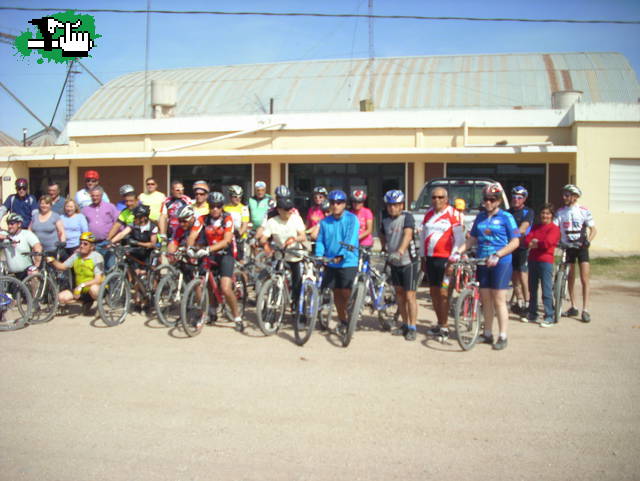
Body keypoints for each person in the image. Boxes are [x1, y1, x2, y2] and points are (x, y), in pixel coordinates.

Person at [460, 183, 520, 350]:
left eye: (492, 200)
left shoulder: (506, 217)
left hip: (501, 262)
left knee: (499, 299)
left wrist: (498, 254)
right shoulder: (480, 217)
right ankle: (487, 333)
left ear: (499, 201)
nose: (488, 202)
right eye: (485, 199)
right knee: (485, 299)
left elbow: (515, 241)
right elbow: (472, 239)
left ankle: (502, 335)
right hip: (482, 260)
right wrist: (457, 252)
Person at [187, 191, 243, 331]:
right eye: (212, 206)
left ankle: (237, 317)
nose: (215, 209)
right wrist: (189, 248)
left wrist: (207, 249)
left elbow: (226, 240)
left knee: (224, 288)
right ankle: (209, 311)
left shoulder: (227, 218)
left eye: (218, 206)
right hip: (208, 252)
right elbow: (192, 235)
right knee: (203, 284)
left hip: (225, 253)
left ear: (222, 207)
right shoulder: (202, 219)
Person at [420, 187, 464, 339]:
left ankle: (445, 327)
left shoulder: (453, 214)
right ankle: (439, 323)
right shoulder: (428, 214)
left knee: (444, 293)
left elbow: (459, 239)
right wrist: (422, 258)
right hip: (431, 260)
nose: (436, 200)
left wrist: (453, 260)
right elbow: (422, 237)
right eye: (433, 197)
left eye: (440, 197)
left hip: (446, 261)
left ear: (446, 199)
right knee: (434, 293)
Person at [315, 189, 360, 335]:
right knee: (336, 294)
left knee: (345, 293)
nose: (335, 205)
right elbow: (320, 240)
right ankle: (343, 320)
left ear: (344, 204)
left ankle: (351, 316)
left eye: (339, 203)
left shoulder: (352, 219)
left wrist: (342, 255)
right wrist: (319, 255)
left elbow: (350, 239)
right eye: (333, 202)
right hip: (331, 262)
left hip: (348, 262)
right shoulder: (324, 222)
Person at [380, 189, 420, 341]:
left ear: (401, 205)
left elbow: (408, 235)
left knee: (410, 295)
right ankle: (404, 324)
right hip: (394, 262)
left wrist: (400, 251)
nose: (392, 208)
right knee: (400, 295)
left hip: (408, 261)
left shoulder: (407, 217)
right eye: (390, 205)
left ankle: (412, 326)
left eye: (396, 205)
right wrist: (384, 248)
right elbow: (382, 234)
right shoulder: (384, 219)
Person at [554, 184, 597, 323]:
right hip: (568, 247)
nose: (564, 197)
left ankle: (585, 309)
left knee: (584, 279)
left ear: (575, 197)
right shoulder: (560, 212)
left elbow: (593, 230)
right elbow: (554, 228)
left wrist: (588, 241)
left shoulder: (583, 211)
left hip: (581, 247)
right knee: (570, 277)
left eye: (567, 195)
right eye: (564, 194)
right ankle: (573, 306)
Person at [260, 197, 307, 314]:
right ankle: (271, 305)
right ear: (279, 210)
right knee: (274, 279)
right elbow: (263, 238)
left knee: (297, 282)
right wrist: (266, 246)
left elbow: (303, 236)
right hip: (280, 255)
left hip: (294, 255)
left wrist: (294, 238)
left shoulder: (296, 219)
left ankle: (297, 307)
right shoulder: (272, 222)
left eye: (290, 208)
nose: (290, 211)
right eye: (286, 209)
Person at [46, 231, 104, 316]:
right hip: (80, 289)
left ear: (92, 247)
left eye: (85, 244)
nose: (81, 246)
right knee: (61, 297)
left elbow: (98, 279)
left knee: (94, 289)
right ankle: (86, 302)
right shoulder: (76, 255)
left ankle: (100, 306)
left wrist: (82, 285)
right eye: (80, 243)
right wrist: (53, 261)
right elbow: (62, 266)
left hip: (94, 287)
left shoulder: (97, 257)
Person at [523, 203, 561, 327]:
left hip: (545, 261)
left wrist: (536, 243)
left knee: (546, 289)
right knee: (532, 289)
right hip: (533, 260)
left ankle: (549, 315)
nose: (544, 215)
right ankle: (532, 313)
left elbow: (548, 243)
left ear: (551, 215)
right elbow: (527, 239)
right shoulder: (536, 227)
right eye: (543, 213)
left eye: (547, 213)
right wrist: (535, 242)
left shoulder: (554, 229)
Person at [508, 185, 535, 321]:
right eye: (514, 197)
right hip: (509, 248)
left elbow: (524, 227)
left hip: (522, 247)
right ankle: (519, 301)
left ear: (524, 199)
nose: (516, 200)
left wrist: (513, 234)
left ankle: (528, 303)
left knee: (523, 275)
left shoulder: (528, 212)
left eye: (519, 197)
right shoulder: (507, 212)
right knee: (513, 276)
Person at [81, 186, 119, 270]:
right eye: (93, 196)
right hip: (93, 244)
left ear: (101, 196)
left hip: (108, 243)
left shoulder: (110, 207)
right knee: (96, 268)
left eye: (97, 196)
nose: (95, 198)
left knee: (110, 267)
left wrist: (116, 240)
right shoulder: (85, 209)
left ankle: (113, 283)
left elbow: (118, 223)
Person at [111, 204, 158, 270]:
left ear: (144, 218)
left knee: (151, 270)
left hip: (149, 251)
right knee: (130, 263)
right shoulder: (133, 225)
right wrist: (110, 242)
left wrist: (137, 243)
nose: (134, 218)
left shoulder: (152, 227)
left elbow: (152, 244)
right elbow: (122, 234)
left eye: (137, 217)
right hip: (138, 250)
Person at [0, 213, 42, 280]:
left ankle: (35, 291)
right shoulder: (6, 234)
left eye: (12, 223)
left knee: (33, 273)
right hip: (11, 273)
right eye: (8, 224)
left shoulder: (26, 234)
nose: (9, 226)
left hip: (26, 270)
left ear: (19, 224)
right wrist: (7, 237)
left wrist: (36, 265)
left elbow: (37, 247)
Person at [224, 185, 250, 262]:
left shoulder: (244, 208)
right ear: (230, 196)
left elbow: (244, 224)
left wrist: (240, 233)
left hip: (239, 238)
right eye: (235, 197)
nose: (238, 199)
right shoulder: (224, 208)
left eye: (240, 197)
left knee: (241, 261)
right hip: (227, 238)